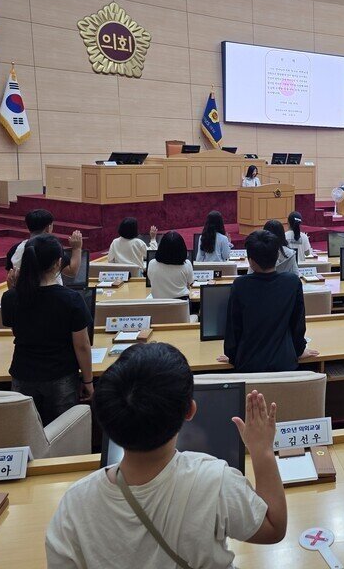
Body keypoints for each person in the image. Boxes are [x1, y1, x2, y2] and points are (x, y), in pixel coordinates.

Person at [45, 342, 287, 567]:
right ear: (191, 410)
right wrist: (262, 450)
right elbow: (273, 527)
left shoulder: (73, 504)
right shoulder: (215, 480)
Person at [0, 234, 94, 425]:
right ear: (58, 263)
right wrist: (88, 381)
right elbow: (82, 345)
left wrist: (12, 288)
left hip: (22, 373)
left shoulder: (10, 297)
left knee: (27, 431)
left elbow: (18, 330)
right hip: (60, 376)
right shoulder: (72, 299)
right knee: (62, 432)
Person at [219, 230, 318, 372]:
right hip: (285, 364)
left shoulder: (240, 285)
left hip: (248, 365)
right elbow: (298, 324)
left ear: (251, 261)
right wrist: (299, 350)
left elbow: (234, 327)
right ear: (277, 255)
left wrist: (232, 355)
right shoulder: (292, 282)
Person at [8, 209, 83, 286]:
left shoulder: (15, 249)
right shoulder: (51, 248)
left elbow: (10, 278)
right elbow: (72, 271)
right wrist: (77, 248)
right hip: (51, 294)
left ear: (27, 226)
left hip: (24, 295)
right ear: (48, 227)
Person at [147, 232, 194, 300]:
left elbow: (151, 279)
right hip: (182, 307)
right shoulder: (187, 265)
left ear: (161, 248)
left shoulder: (152, 264)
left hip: (157, 307)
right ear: (182, 249)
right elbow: (191, 282)